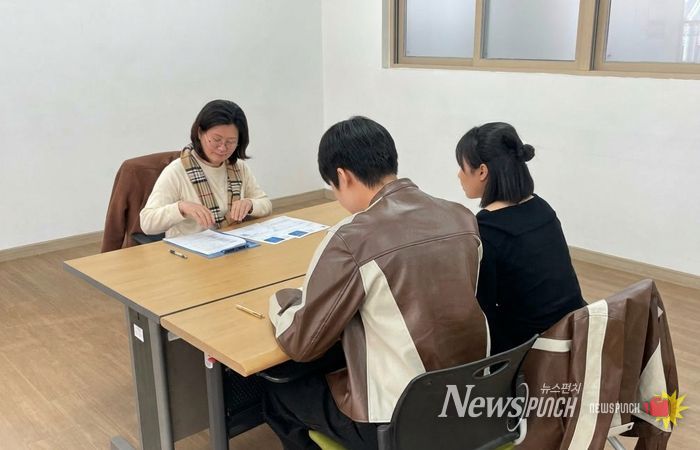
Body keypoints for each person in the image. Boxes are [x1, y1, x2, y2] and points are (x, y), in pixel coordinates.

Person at [264, 116, 488, 450]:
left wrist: (281, 301)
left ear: (343, 176)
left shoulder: (352, 237)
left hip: (400, 418)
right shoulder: (461, 217)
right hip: (469, 399)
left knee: (278, 391)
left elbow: (302, 343)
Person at [455, 122, 586, 355]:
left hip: (535, 348)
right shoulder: (541, 207)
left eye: (462, 167)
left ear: (482, 171)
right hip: (576, 331)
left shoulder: (487, 229)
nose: (458, 175)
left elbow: (481, 310)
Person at [140, 99, 272, 237]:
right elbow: (147, 222)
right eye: (216, 140)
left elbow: (266, 204)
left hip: (234, 241)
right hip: (190, 247)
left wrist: (250, 204)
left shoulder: (239, 167)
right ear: (200, 133)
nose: (222, 148)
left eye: (231, 142)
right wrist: (181, 208)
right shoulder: (176, 171)